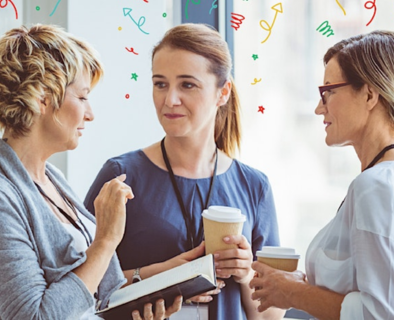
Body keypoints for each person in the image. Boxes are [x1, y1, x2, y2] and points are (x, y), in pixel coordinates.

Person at [84, 23, 284, 320]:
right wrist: (154, 280)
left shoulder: (255, 186)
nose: (170, 100)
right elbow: (81, 288)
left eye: (187, 85)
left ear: (223, 92)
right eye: (160, 83)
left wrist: (245, 275)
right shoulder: (121, 176)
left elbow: (270, 316)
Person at [0, 24, 182, 320]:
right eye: (82, 97)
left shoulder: (53, 181)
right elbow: (32, 317)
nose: (90, 113)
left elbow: (100, 298)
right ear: (44, 98)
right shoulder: (4, 196)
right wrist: (106, 240)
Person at [250, 30, 394, 319]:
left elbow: (380, 314)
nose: (319, 108)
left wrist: (293, 293)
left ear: (368, 94)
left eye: (329, 91)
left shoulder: (374, 187)